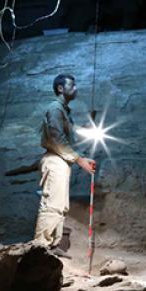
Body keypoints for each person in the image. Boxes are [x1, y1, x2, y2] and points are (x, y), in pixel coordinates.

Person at [33, 74, 96, 252]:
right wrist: (79, 159)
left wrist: (81, 155)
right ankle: (39, 248)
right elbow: (57, 139)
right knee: (52, 205)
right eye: (72, 85)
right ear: (60, 88)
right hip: (54, 159)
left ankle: (53, 246)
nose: (75, 89)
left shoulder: (64, 111)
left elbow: (69, 137)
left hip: (61, 161)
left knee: (60, 206)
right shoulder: (55, 109)